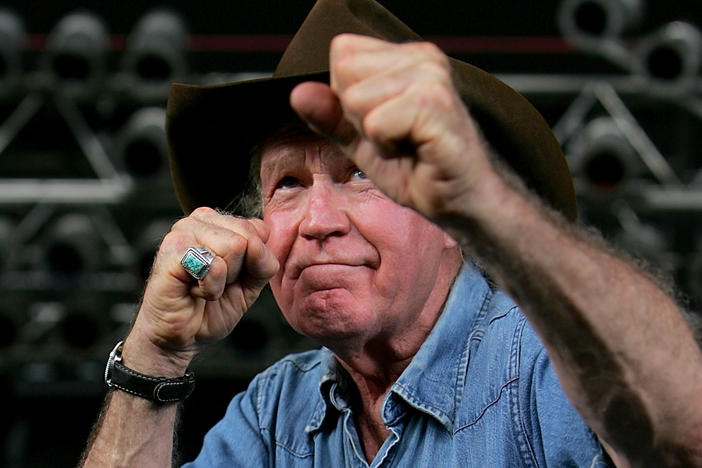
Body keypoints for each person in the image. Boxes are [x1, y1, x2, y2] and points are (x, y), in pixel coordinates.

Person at [81, 0, 702, 466]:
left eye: (364, 174)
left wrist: (493, 204)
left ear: (451, 219)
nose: (319, 221)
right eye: (288, 184)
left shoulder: (548, 364)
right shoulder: (273, 416)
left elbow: (687, 434)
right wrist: (152, 359)